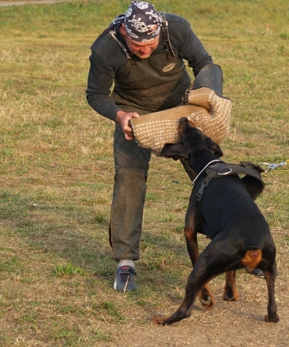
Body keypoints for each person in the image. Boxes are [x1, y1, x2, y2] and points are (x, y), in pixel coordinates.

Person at [86, 1, 222, 292]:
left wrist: (208, 98)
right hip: (134, 113)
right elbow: (96, 94)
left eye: (150, 43)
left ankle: (233, 241)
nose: (145, 49)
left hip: (179, 105)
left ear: (160, 31)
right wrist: (119, 115)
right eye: (138, 45)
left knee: (210, 171)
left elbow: (205, 63)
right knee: (129, 176)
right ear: (124, 31)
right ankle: (125, 263)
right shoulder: (106, 48)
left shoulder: (177, 29)